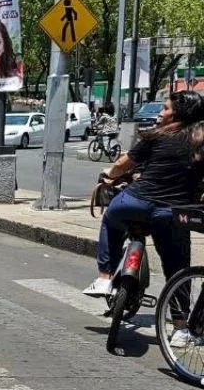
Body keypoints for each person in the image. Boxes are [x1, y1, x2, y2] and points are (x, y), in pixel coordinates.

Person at [83, 91, 204, 346]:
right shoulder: (199, 142)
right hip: (174, 212)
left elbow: (121, 166)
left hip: (136, 203)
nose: (160, 112)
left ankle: (105, 277)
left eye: (165, 108)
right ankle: (181, 328)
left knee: (111, 218)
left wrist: (107, 173)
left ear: (177, 114)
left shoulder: (156, 136)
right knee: (178, 267)